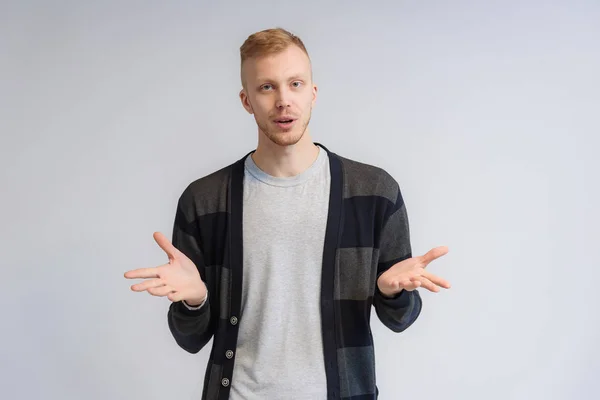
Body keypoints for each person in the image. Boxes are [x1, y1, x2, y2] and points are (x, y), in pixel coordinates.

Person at [124, 27, 451, 400]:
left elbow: (402, 318)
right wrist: (195, 299)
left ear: (313, 93)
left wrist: (390, 294)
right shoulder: (205, 201)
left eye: (295, 84)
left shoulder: (374, 193)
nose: (283, 100)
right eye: (267, 87)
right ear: (247, 101)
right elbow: (191, 338)